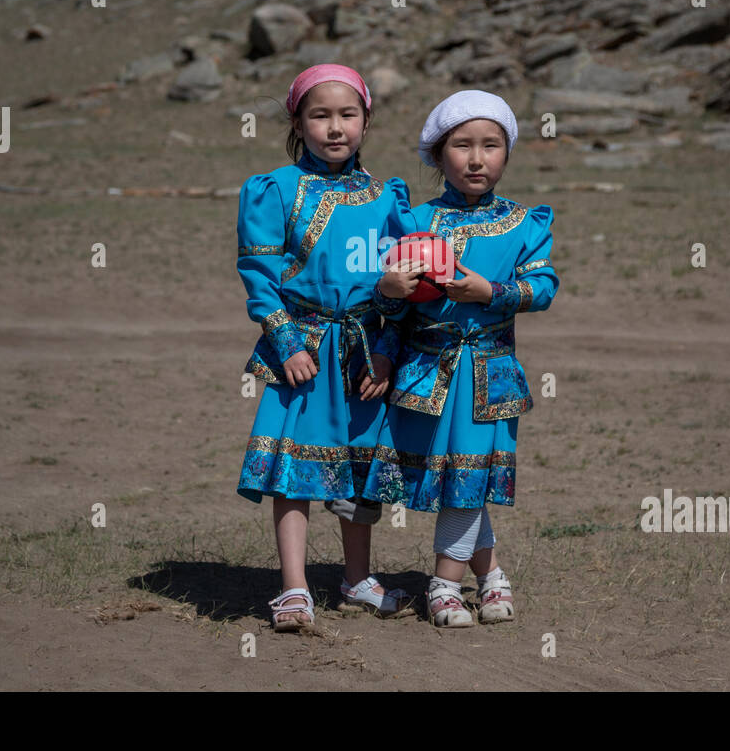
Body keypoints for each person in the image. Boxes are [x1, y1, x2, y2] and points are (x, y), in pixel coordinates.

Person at [362, 89, 559, 627]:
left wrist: (491, 292)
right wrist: (386, 307)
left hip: (489, 376)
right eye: (463, 145)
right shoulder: (411, 220)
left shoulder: (525, 224)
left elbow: (543, 288)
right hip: (425, 375)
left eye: (491, 146)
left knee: (468, 475)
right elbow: (389, 309)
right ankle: (491, 575)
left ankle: (443, 585)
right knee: (458, 478)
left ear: (507, 154)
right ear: (437, 154)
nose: (477, 158)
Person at [235, 64, 414, 632]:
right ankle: (293, 589)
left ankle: (356, 578)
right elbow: (260, 277)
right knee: (294, 470)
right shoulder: (274, 190)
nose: (335, 128)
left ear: (366, 119)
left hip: (367, 353)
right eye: (320, 115)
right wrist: (285, 343)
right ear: (298, 121)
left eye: (347, 115)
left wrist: (386, 349)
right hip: (304, 351)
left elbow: (401, 285)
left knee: (361, 468)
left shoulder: (389, 198)